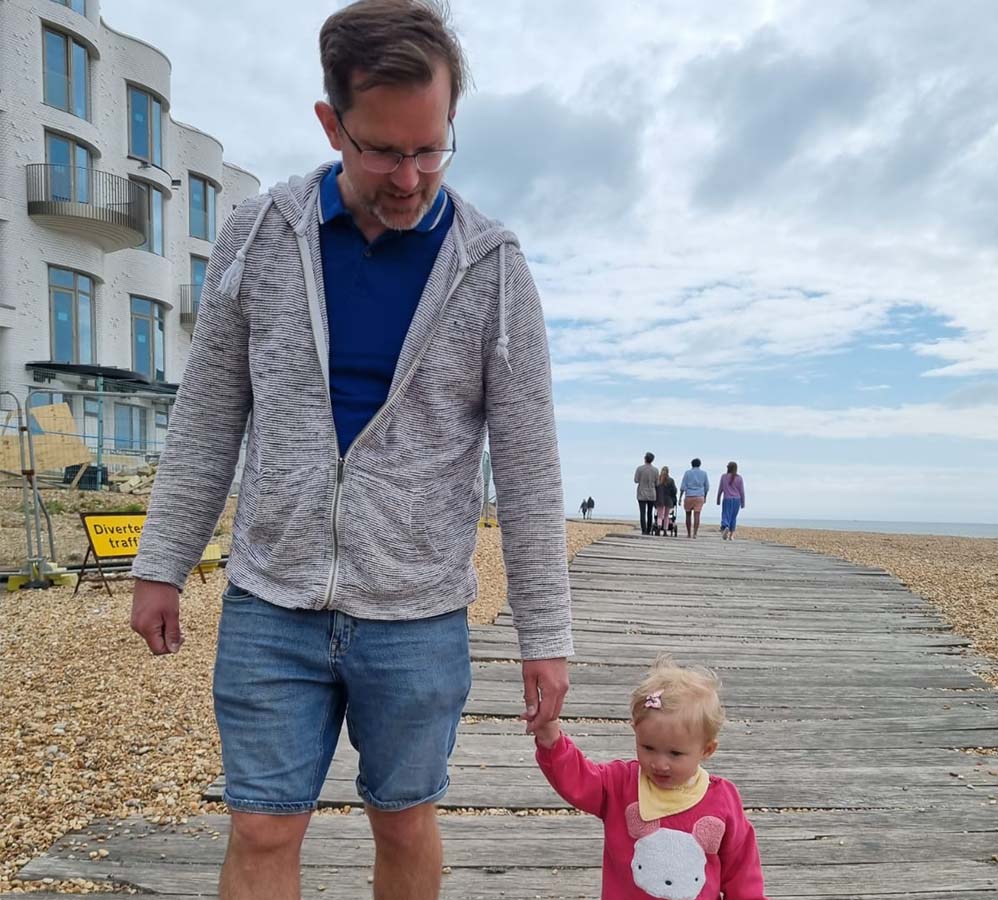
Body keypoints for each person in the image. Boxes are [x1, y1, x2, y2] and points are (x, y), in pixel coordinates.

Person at [128, 3, 573, 898]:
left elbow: (528, 466)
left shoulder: (491, 267)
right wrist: (161, 562)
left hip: (418, 612)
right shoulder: (258, 234)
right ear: (332, 123)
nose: (410, 177)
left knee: (406, 820)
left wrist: (545, 632)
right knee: (259, 825)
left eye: (431, 148)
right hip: (270, 599)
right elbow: (210, 414)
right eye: (382, 150)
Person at [534, 655, 768, 899]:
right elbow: (578, 780)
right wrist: (551, 741)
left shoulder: (722, 800)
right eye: (648, 748)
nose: (659, 763)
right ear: (635, 732)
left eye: (675, 753)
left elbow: (742, 872)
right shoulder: (619, 784)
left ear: (706, 750)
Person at [679, 458, 710, 539]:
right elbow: (706, 487)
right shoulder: (704, 473)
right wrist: (705, 496)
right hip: (699, 496)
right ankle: (695, 533)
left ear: (691, 464)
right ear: (699, 464)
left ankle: (689, 533)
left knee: (688, 514)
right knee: (697, 515)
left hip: (689, 495)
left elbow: (683, 487)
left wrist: (680, 497)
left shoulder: (687, 473)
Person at [716, 462, 746, 541]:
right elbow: (741, 491)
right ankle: (731, 535)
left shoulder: (724, 477)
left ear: (728, 468)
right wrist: (743, 502)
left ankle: (725, 527)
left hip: (727, 499)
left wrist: (718, 498)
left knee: (726, 515)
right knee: (733, 517)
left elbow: (720, 488)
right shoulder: (739, 478)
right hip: (737, 500)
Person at [634, 452, 658, 535]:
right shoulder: (655, 470)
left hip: (642, 493)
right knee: (650, 513)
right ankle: (648, 530)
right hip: (652, 493)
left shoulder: (639, 469)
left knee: (642, 513)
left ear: (645, 459)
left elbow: (636, 480)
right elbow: (657, 483)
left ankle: (644, 530)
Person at [654, 466, 677, 537]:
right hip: (668, 500)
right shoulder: (671, 480)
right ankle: (665, 531)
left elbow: (655, 489)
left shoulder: (657, 480)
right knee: (666, 516)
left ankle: (658, 527)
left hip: (659, 500)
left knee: (660, 516)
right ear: (668, 472)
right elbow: (674, 491)